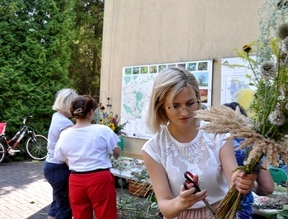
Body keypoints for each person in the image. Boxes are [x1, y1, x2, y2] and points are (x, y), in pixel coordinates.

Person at [142, 67, 257, 219]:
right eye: (175, 106)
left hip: (221, 213)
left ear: (198, 98)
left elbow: (233, 180)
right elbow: (165, 207)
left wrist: (243, 183)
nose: (184, 112)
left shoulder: (218, 134)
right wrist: (181, 202)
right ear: (161, 106)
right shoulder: (154, 149)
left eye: (190, 103)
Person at [54, 95, 122, 219]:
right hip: (99, 178)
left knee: (80, 216)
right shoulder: (102, 130)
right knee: (107, 215)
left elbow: (61, 157)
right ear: (91, 112)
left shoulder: (65, 134)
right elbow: (117, 152)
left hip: (76, 179)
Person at [223, 102, 275, 218]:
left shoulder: (213, 144)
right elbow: (267, 188)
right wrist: (248, 185)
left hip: (215, 209)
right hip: (242, 211)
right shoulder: (253, 147)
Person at [43, 88, 78, 219]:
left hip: (51, 166)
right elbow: (66, 150)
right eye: (74, 104)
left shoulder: (56, 116)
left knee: (56, 203)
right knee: (65, 208)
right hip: (60, 168)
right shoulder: (65, 123)